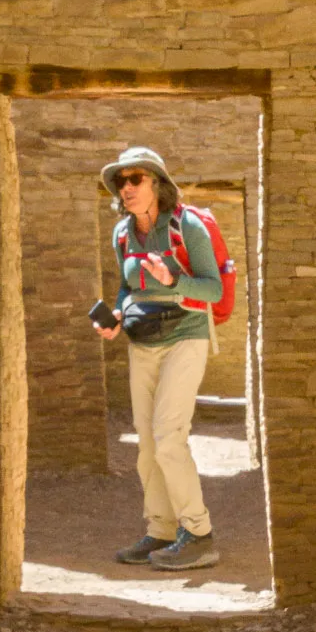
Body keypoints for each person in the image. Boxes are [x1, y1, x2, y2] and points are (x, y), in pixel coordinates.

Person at [95, 145, 223, 572]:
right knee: (146, 445)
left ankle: (199, 534)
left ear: (157, 184)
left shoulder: (187, 227)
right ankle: (161, 530)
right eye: (121, 181)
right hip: (142, 340)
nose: (126, 188)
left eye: (136, 179)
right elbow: (126, 288)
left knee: (169, 435)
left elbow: (214, 289)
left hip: (186, 335)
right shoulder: (121, 233)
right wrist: (115, 316)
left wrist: (176, 280)